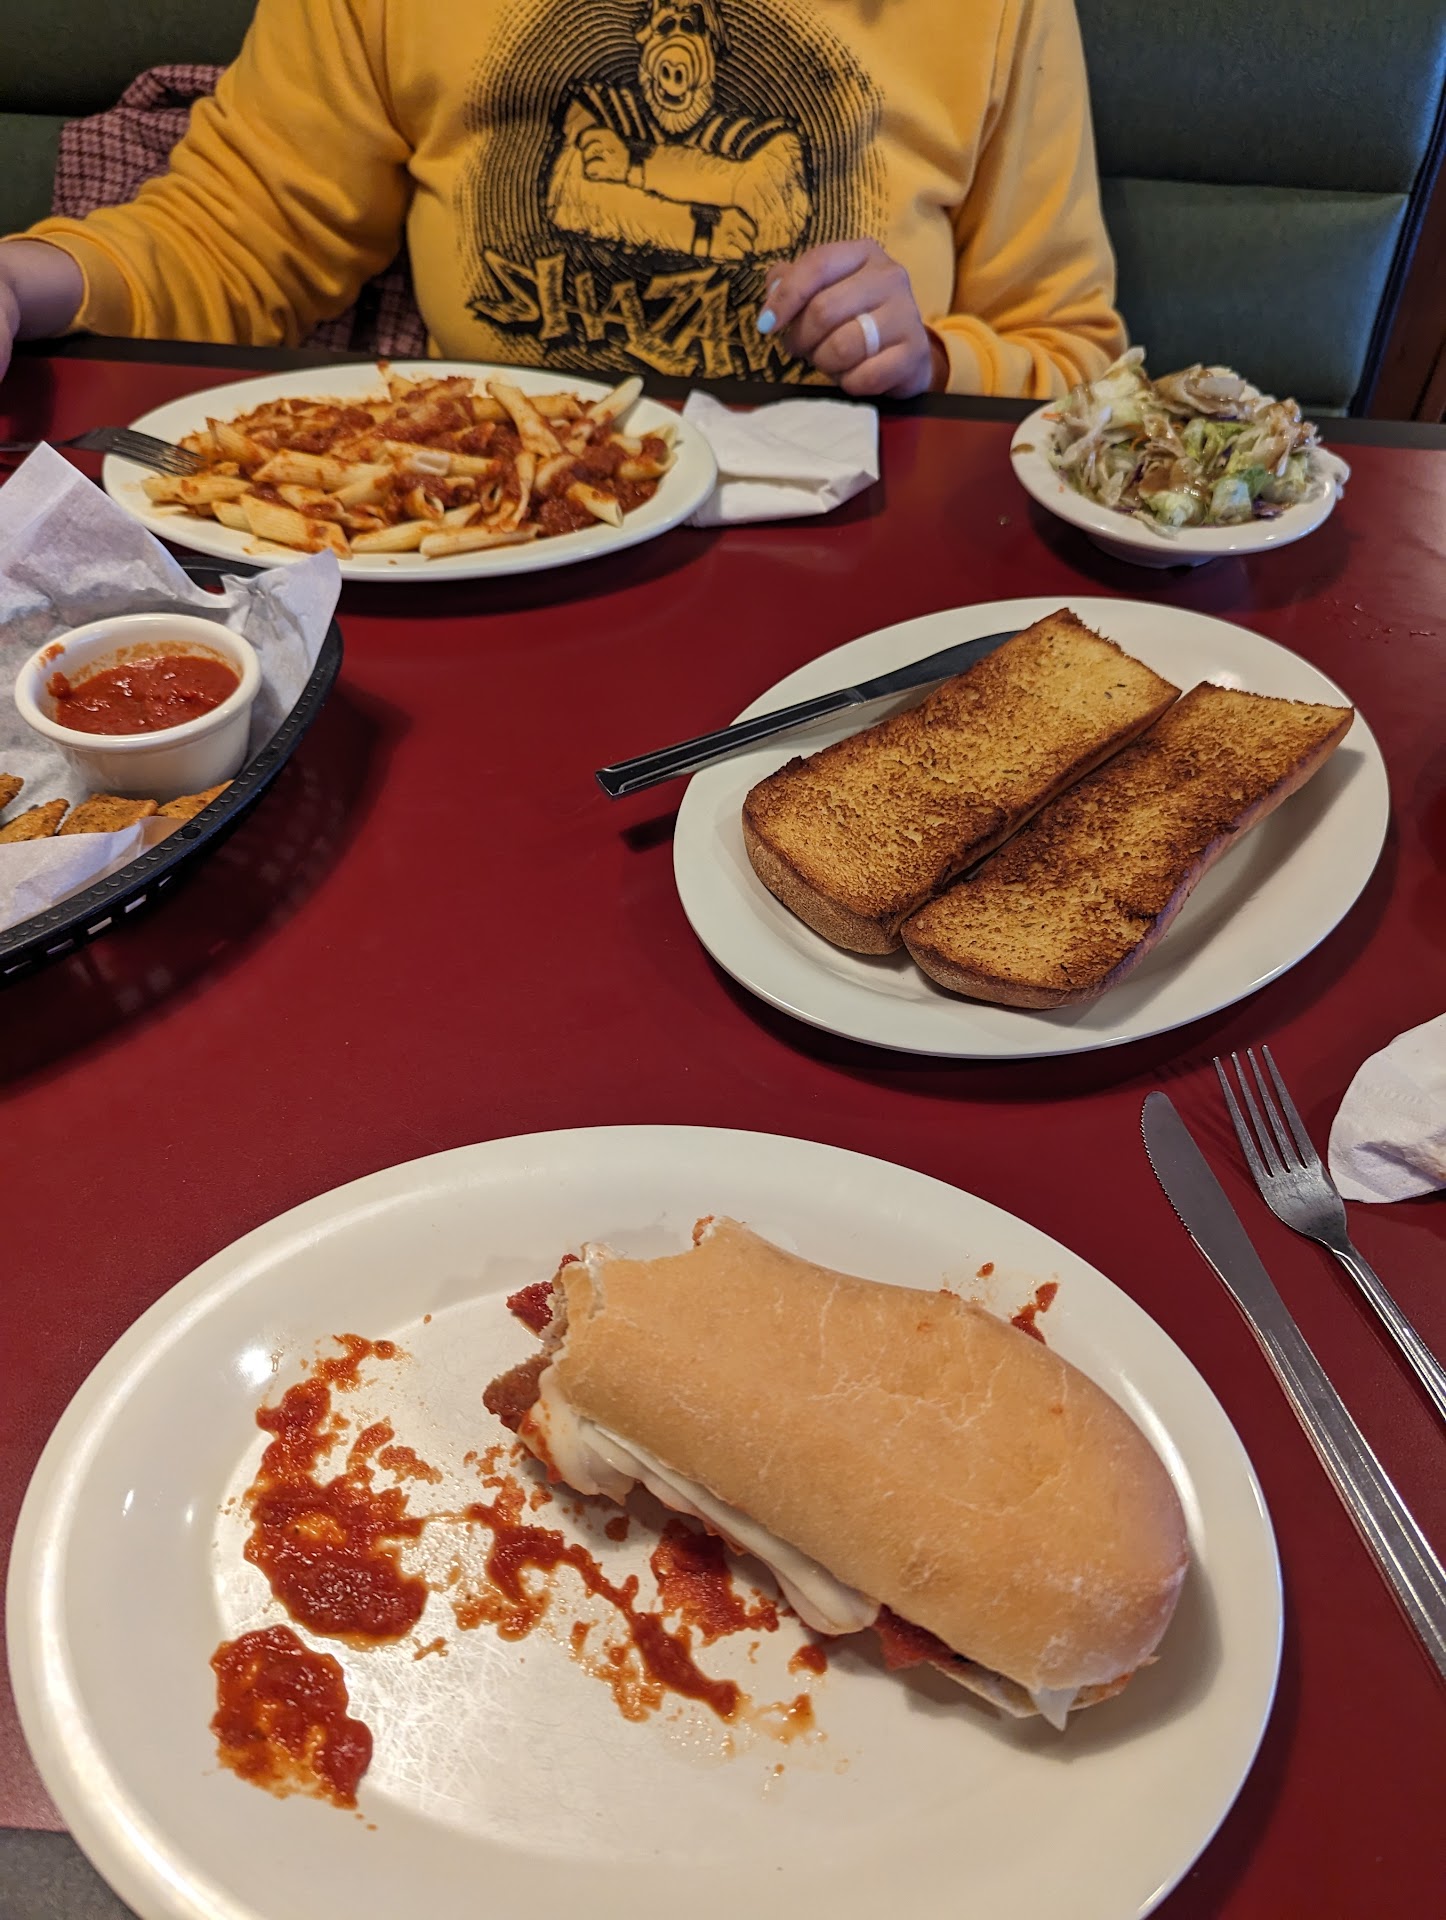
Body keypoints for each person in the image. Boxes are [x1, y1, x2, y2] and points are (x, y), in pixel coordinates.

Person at [0, 0, 1125, 400]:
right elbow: (236, 241)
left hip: (860, 564)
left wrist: (931, 362)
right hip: (488, 527)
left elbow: (1067, 349)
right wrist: (23, 279)